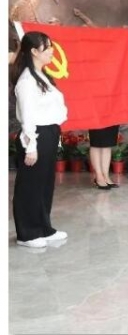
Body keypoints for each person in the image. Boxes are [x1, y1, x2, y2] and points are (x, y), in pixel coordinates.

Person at [11, 31, 68, 248]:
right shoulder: (27, 80)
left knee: (44, 184)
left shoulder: (42, 75)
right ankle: (27, 234)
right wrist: (31, 146)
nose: (52, 51)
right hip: (35, 135)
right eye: (47, 47)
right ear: (34, 51)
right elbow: (28, 117)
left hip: (48, 133)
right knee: (30, 186)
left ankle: (44, 228)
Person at [88, 125, 120, 189]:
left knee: (108, 144)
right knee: (96, 142)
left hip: (111, 118)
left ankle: (106, 176)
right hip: (95, 118)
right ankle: (99, 176)